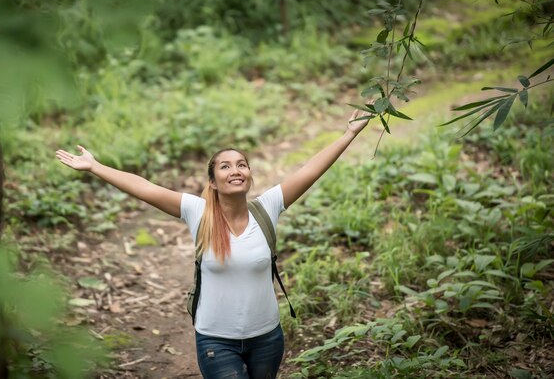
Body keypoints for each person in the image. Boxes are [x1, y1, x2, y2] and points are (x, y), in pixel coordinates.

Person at [55, 108, 371, 378]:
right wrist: (95, 167)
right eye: (225, 166)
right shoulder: (198, 211)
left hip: (267, 337)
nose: (236, 170)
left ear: (249, 175)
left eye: (242, 164)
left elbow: (310, 170)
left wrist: (349, 134)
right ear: (213, 182)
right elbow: (145, 187)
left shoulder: (268, 207)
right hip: (216, 341)